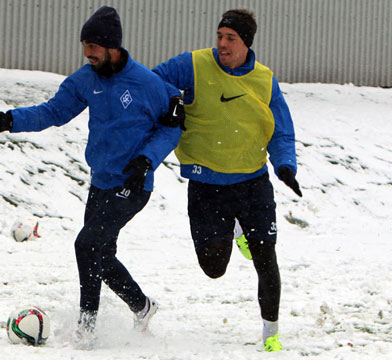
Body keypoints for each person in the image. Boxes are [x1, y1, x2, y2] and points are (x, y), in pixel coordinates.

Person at [0, 6, 183, 347]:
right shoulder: (86, 79)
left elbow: (174, 125)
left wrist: (146, 161)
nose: (87, 53)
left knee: (86, 244)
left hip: (133, 184)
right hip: (101, 182)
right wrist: (10, 120)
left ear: (112, 46)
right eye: (84, 46)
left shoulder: (147, 83)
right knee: (100, 256)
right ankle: (142, 306)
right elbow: (53, 111)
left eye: (93, 47)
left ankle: (87, 330)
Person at [152, 8, 302, 352]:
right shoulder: (192, 64)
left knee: (266, 257)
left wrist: (285, 166)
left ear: (246, 43)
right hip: (206, 186)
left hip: (252, 183)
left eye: (230, 38)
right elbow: (151, 81)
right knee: (213, 268)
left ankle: (271, 334)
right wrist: (174, 100)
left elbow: (281, 130)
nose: (222, 43)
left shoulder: (265, 80)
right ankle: (236, 232)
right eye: (219, 36)